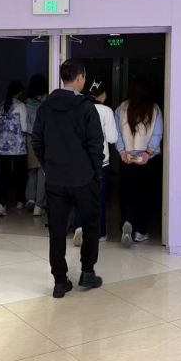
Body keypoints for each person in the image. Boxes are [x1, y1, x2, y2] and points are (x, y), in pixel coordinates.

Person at [32, 59, 104, 299]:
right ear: (80, 78)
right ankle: (87, 272)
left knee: (57, 230)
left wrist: (48, 166)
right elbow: (96, 144)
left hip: (55, 179)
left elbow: (37, 141)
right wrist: (95, 171)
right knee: (91, 224)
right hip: (84, 178)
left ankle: (60, 281)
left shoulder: (45, 107)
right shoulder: (86, 107)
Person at [115, 76, 163, 247]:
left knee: (127, 193)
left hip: (127, 158)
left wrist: (122, 152)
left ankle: (127, 222)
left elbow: (117, 133)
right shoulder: (155, 109)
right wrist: (148, 152)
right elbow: (157, 134)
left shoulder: (122, 108)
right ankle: (140, 231)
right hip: (147, 160)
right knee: (144, 195)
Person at [73, 80, 118, 245]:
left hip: (80, 160)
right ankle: (99, 232)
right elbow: (112, 138)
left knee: (80, 195)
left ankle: (79, 227)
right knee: (98, 197)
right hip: (100, 161)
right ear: (104, 95)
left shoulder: (78, 108)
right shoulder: (106, 111)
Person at [0, 80, 28, 217]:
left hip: (2, 144)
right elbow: (24, 127)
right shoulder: (21, 106)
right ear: (20, 93)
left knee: (4, 174)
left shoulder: (0, 106)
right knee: (20, 173)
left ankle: (1, 204)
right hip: (17, 144)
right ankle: (20, 200)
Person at [25, 74, 48, 217]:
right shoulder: (46, 100)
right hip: (42, 137)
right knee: (42, 170)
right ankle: (39, 205)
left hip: (29, 137)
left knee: (32, 170)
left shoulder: (27, 101)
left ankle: (30, 198)